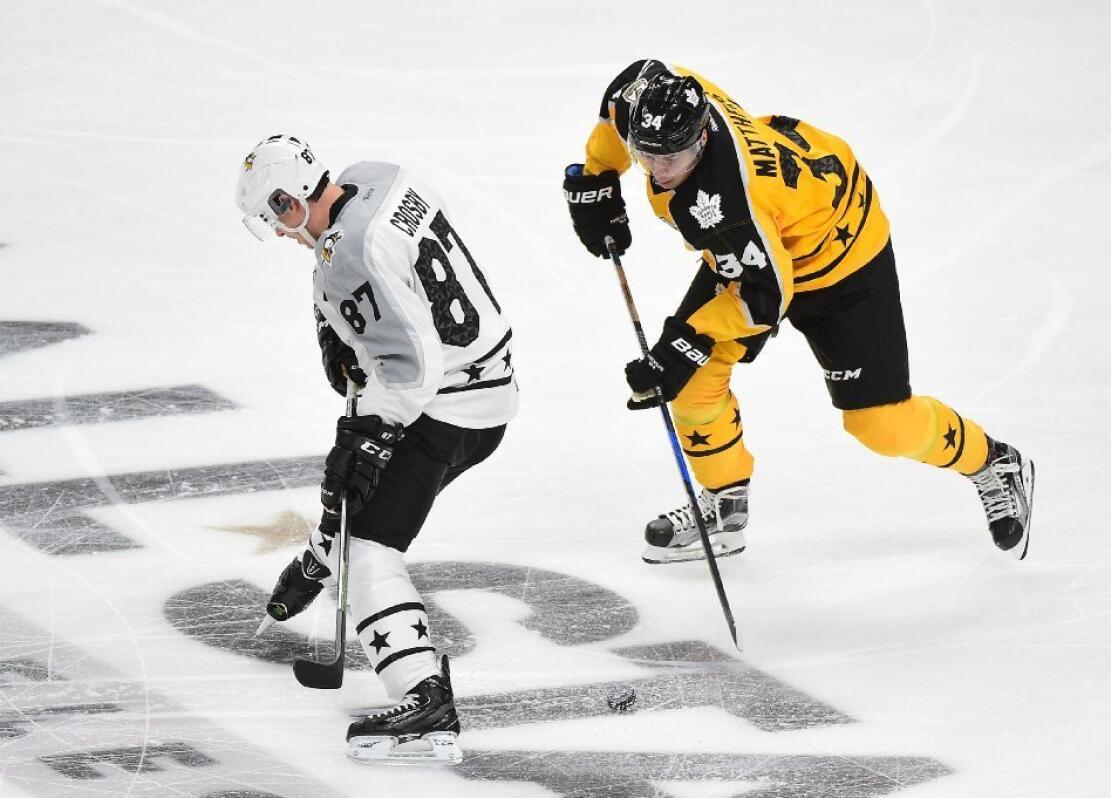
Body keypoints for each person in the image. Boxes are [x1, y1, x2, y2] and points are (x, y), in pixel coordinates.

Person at [562, 61, 1034, 565]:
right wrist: (599, 172)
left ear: (702, 138)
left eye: (670, 158)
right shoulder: (658, 102)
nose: (656, 170)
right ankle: (725, 509)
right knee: (694, 379)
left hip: (841, 259)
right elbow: (624, 94)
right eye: (644, 156)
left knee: (880, 425)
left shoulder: (728, 202)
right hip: (770, 242)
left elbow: (763, 300)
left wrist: (683, 339)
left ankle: (993, 462)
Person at [235, 135, 517, 763]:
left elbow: (412, 370)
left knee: (369, 547)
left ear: (290, 200)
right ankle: (319, 562)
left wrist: (368, 438)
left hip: (449, 406)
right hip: (485, 384)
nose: (280, 232)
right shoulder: (378, 178)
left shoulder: (345, 254)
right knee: (358, 504)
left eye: (275, 215)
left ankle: (424, 700)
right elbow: (403, 294)